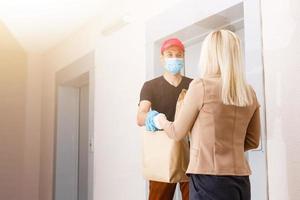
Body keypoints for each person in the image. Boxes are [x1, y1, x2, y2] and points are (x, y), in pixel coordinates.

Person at [155, 30, 261, 200]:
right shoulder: (248, 91)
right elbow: (252, 141)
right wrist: (226, 148)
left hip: (209, 179)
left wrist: (159, 119)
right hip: (241, 180)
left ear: (209, 54)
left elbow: (176, 132)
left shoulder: (201, 86)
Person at [137, 38, 192, 200]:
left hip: (191, 150)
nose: (174, 58)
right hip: (163, 151)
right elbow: (140, 117)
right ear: (162, 57)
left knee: (193, 196)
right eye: (169, 54)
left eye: (178, 54)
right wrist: (154, 118)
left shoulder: (194, 85)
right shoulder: (151, 86)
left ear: (183, 57)